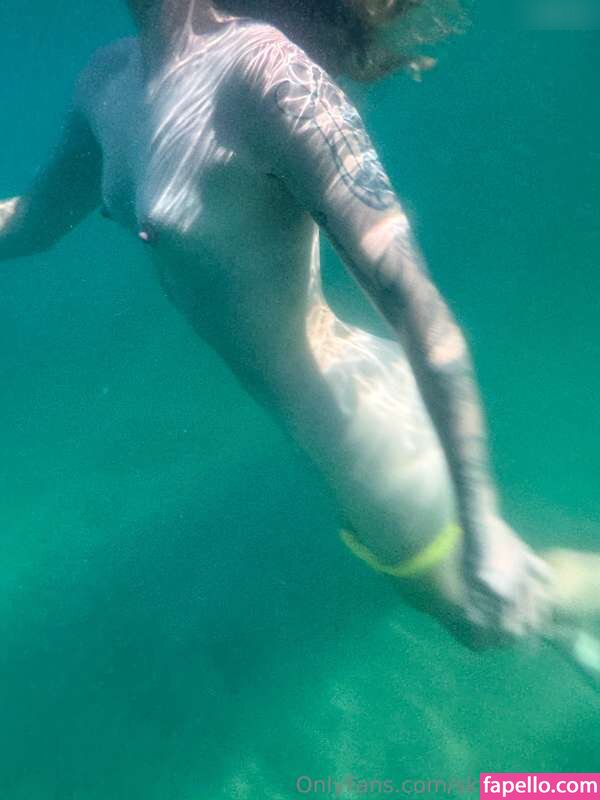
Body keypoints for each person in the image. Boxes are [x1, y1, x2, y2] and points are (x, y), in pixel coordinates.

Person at [1, 0, 598, 678]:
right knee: (479, 590)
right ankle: (568, 629)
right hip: (320, 420)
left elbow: (414, 300)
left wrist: (481, 521)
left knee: (477, 617)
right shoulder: (107, 78)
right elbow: (36, 222)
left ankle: (562, 602)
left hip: (362, 430)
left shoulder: (269, 76)